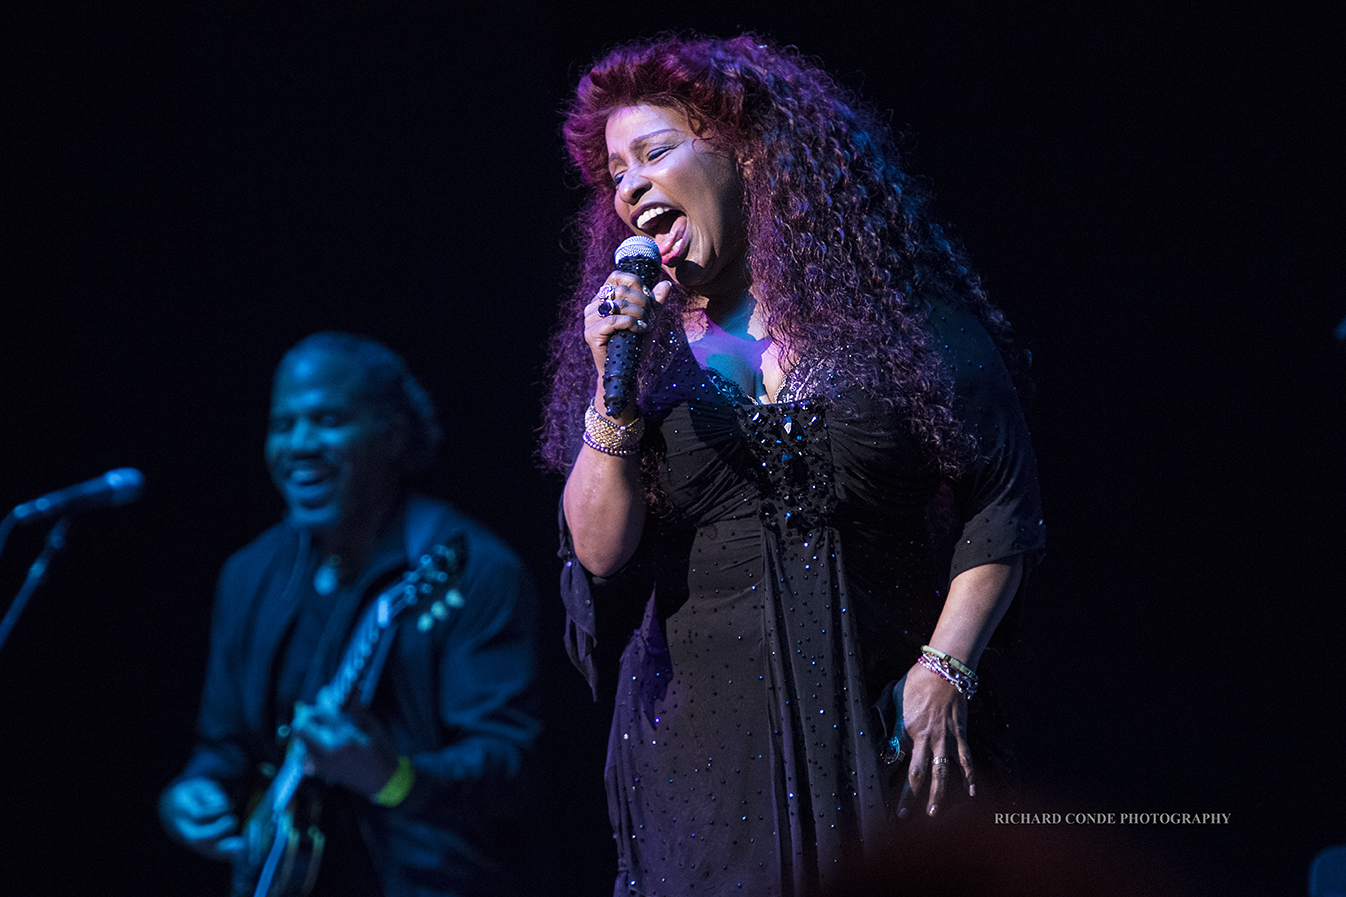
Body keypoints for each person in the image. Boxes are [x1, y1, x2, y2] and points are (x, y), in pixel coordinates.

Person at [539, 34, 1046, 897]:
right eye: (614, 175)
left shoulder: (896, 319)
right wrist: (611, 389)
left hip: (888, 722)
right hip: (702, 765)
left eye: (654, 153)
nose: (628, 187)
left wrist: (944, 667)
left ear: (747, 151)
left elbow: (1001, 501)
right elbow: (598, 550)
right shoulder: (649, 358)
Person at [161, 332, 542, 897]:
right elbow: (225, 742)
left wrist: (394, 779)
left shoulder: (472, 571)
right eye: (283, 425)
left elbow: (510, 767)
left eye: (328, 420)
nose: (300, 445)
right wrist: (197, 790)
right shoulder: (250, 573)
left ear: (392, 434)